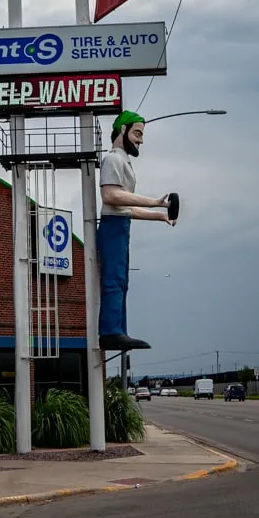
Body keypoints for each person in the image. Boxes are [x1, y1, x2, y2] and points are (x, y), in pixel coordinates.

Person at [96, 110, 175, 351]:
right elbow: (111, 196)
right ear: (123, 130)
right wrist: (153, 201)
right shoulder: (113, 160)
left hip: (121, 225)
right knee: (113, 280)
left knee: (121, 281)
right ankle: (110, 330)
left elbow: (126, 207)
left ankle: (120, 329)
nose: (141, 140)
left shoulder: (124, 162)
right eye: (137, 133)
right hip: (112, 227)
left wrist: (159, 215)